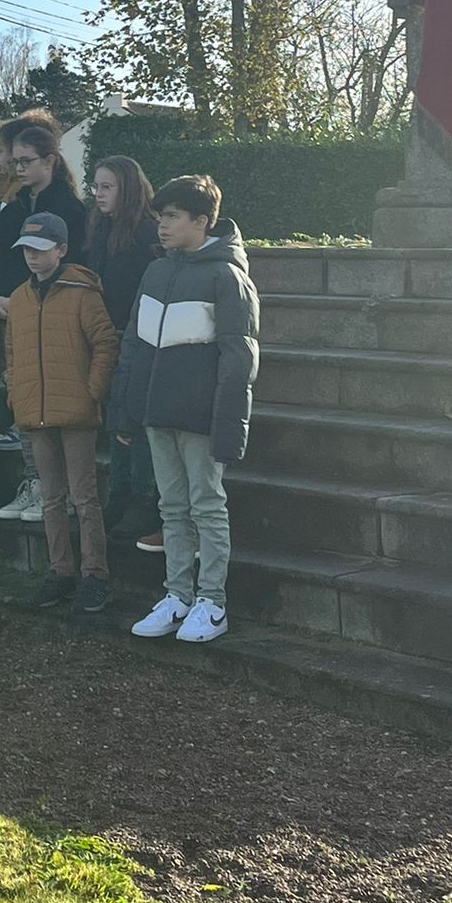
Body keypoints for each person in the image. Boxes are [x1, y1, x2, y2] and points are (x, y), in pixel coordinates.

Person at [111, 175, 260, 647]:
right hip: (157, 413)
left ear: (202, 220)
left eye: (173, 216)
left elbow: (240, 358)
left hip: (197, 416)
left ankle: (211, 602)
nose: (162, 226)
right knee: (171, 507)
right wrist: (127, 410)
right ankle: (177, 595)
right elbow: (134, 344)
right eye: (160, 217)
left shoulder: (227, 277)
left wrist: (228, 426)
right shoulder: (156, 271)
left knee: (207, 506)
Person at [2, 211, 119, 617]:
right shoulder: (19, 298)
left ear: (61, 250)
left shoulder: (82, 293)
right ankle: (61, 572)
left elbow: (105, 344)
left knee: (84, 498)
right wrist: (17, 393)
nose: (32, 258)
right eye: (26, 251)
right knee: (51, 499)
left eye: (40, 249)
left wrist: (91, 393)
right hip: (35, 412)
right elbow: (13, 352)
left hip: (75, 412)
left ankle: (94, 576)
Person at [0, 123, 91, 523]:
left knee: (48, 409)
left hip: (51, 321)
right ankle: (35, 481)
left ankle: (52, 488)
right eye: (14, 162)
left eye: (25, 162)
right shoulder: (15, 205)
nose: (18, 169)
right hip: (10, 316)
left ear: (49, 161)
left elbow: (72, 266)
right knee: (24, 404)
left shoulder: (69, 208)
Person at [85, 156, 163, 553]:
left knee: (137, 424)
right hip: (108, 336)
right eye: (96, 186)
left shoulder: (146, 232)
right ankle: (119, 495)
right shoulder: (99, 229)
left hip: (139, 338)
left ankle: (144, 500)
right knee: (117, 421)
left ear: (128, 189)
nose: (98, 194)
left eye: (107, 187)